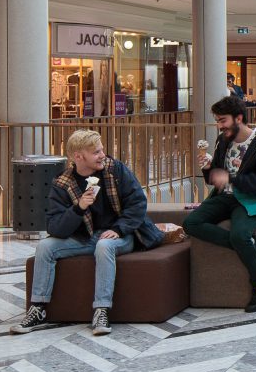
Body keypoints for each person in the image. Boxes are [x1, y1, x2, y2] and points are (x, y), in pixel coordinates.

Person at [10, 129, 163, 336]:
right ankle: (38, 308)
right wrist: (78, 207)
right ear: (78, 157)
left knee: (104, 245)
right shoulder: (63, 183)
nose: (102, 155)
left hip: (122, 235)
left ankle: (101, 310)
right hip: (86, 238)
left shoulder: (115, 171)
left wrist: (118, 229)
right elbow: (55, 227)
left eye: (101, 150)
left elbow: (137, 203)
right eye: (96, 152)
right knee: (45, 247)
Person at [184, 96, 256, 313]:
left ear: (239, 118)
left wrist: (231, 179)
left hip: (254, 200)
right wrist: (208, 168)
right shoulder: (223, 140)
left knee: (239, 235)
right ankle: (254, 245)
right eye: (217, 121)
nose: (219, 126)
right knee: (191, 223)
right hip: (226, 196)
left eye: (223, 120)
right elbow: (213, 179)